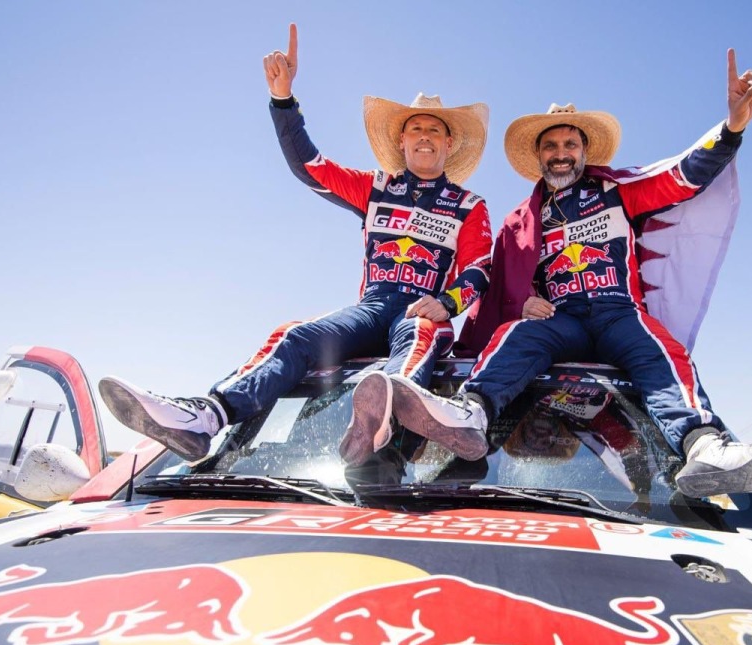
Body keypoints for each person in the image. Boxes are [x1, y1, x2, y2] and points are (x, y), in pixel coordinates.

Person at [387, 50, 752, 497]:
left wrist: (732, 128)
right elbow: (503, 286)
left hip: (618, 313)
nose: (560, 154)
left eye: (569, 145)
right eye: (551, 147)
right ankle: (469, 415)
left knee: (660, 351)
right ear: (538, 156)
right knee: (516, 334)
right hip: (563, 320)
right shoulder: (520, 221)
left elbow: (683, 176)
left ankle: (705, 447)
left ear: (584, 151)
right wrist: (525, 299)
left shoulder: (617, 191)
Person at [98, 25, 493, 464]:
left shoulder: (469, 205)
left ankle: (384, 414)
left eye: (434, 130)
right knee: (295, 335)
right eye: (415, 128)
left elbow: (478, 270)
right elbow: (310, 166)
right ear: (401, 141)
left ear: (448, 143)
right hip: (372, 306)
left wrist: (448, 303)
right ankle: (204, 418)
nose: (424, 136)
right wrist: (283, 99)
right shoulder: (375, 188)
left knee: (418, 332)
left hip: (422, 309)